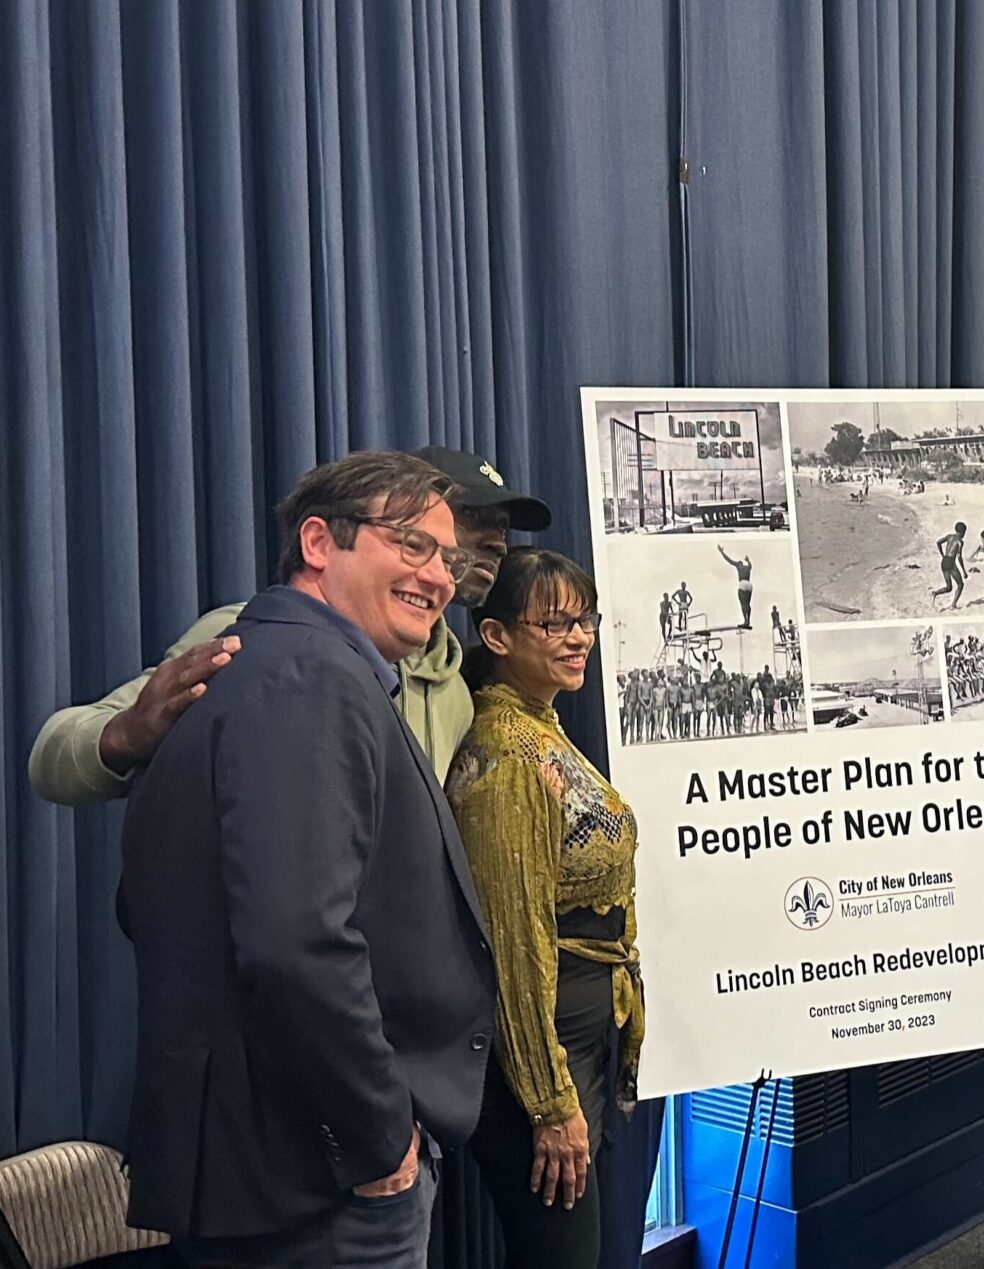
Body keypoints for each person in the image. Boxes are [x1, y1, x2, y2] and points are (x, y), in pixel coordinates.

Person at [117, 452, 497, 1265]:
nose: (438, 576)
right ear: (320, 542)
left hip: (281, 1171)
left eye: (448, 558)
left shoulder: (275, 663)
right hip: (317, 1185)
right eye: (412, 545)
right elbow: (296, 941)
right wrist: (376, 1135)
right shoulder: (309, 676)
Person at [28, 445, 551, 797]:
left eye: (502, 527)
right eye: (472, 519)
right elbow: (53, 754)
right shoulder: (250, 638)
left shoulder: (455, 692)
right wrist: (126, 734)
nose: (493, 540)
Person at [446, 549, 643, 1269]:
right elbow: (512, 943)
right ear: (497, 636)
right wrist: (549, 1103)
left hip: (577, 1049)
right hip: (540, 1067)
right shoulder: (506, 755)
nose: (579, 636)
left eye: (585, 619)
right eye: (555, 622)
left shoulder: (542, 725)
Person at [932, 522, 968, 609]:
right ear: (962, 532)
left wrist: (942, 554)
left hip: (944, 561)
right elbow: (959, 557)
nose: (964, 535)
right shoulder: (960, 541)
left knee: (949, 587)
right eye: (964, 533)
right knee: (960, 585)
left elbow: (938, 542)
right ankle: (953, 605)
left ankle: (935, 593)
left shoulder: (949, 536)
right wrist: (964, 571)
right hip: (951, 563)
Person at [718, 545, 754, 628]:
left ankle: (745, 620)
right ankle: (748, 620)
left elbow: (729, 560)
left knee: (743, 604)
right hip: (750, 584)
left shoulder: (738, 565)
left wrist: (722, 552)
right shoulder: (747, 567)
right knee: (747, 604)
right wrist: (748, 561)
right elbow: (750, 565)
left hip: (743, 584)